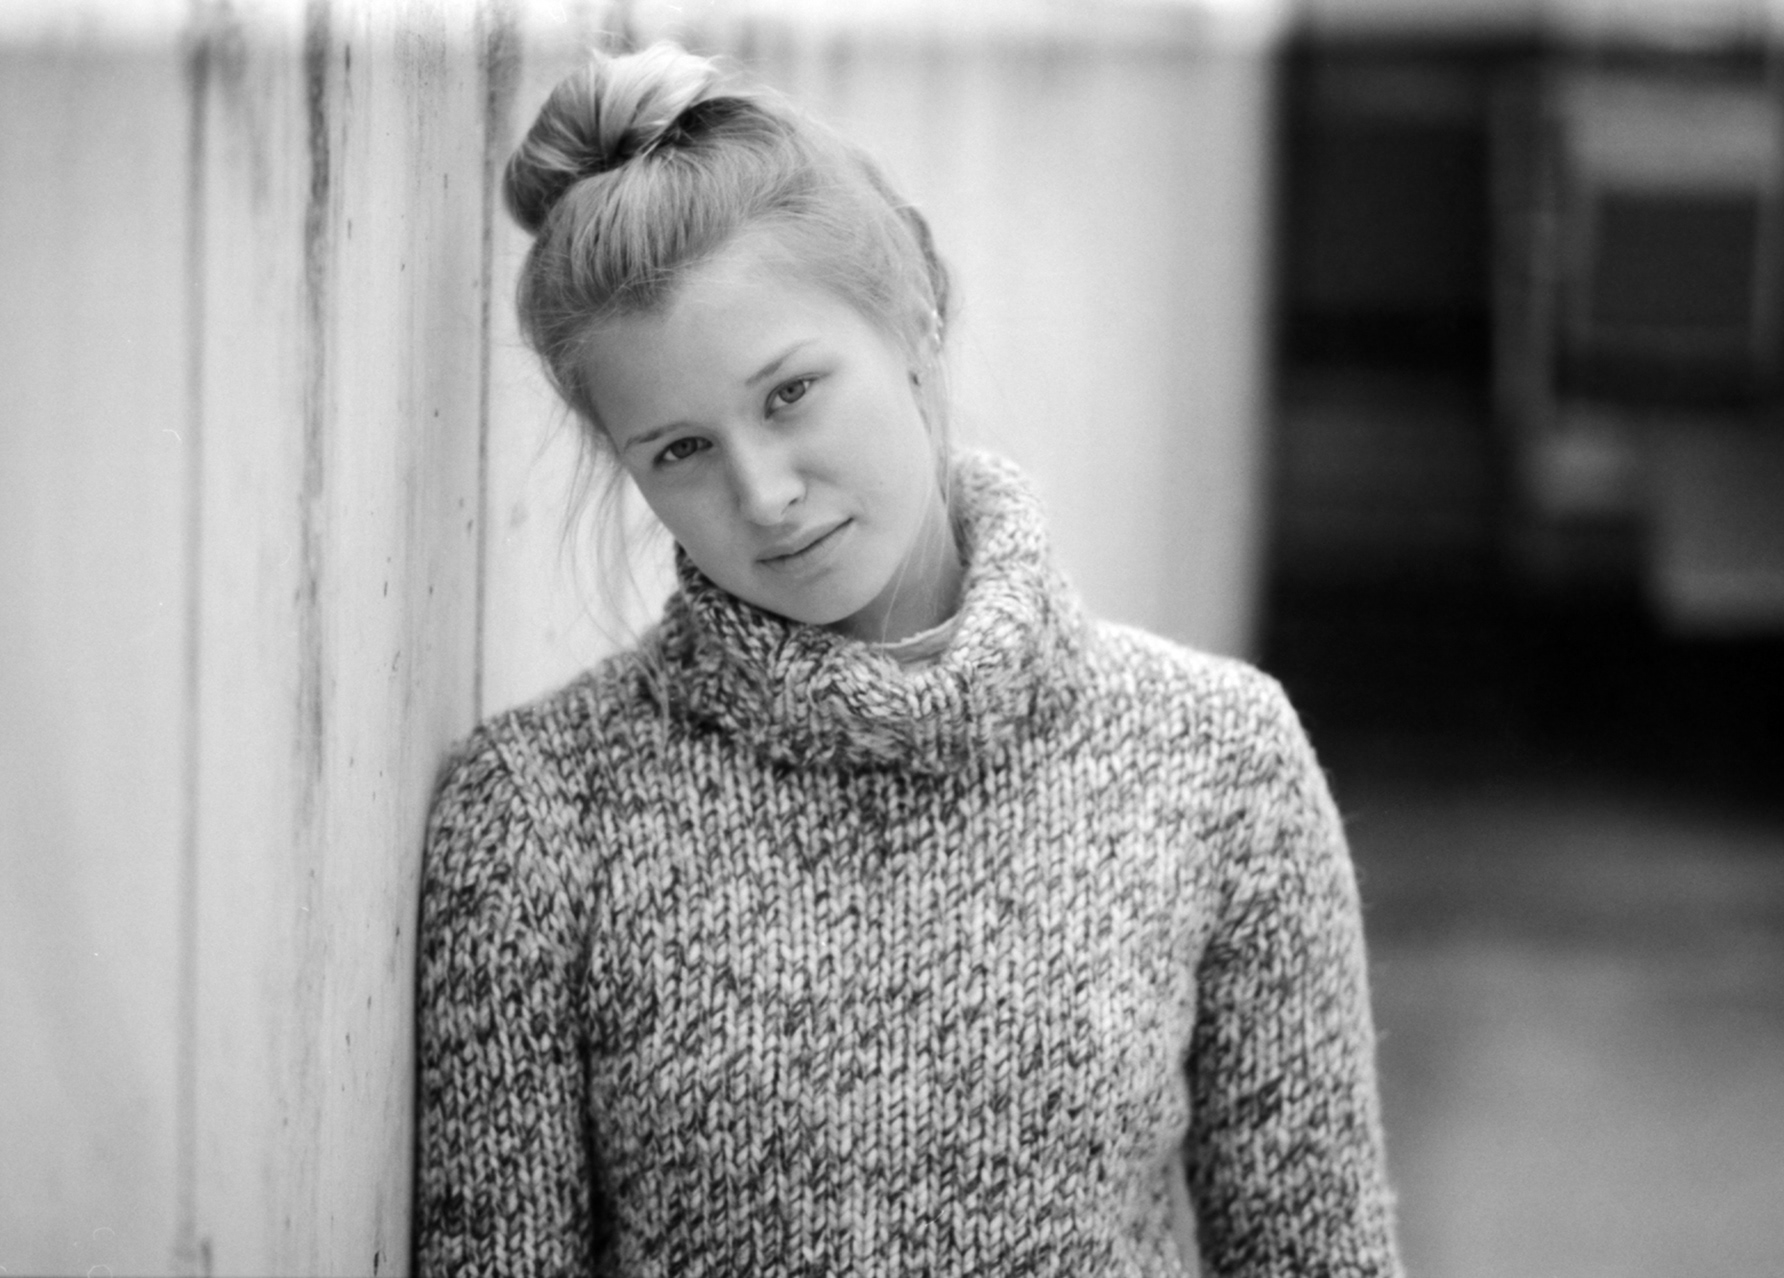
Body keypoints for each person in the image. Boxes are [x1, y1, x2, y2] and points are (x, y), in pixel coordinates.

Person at [415, 40, 1402, 1278]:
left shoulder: (1220, 763)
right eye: (679, 450)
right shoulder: (537, 819)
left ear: (917, 322)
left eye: (790, 394)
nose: (764, 494)